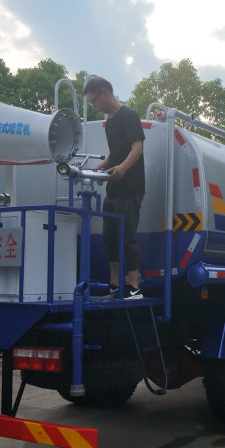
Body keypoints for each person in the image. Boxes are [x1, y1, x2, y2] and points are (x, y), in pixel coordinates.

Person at [83, 76, 145, 300]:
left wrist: (123, 169)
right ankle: (115, 285)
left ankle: (134, 287)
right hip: (114, 189)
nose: (94, 106)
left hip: (131, 188)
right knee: (109, 238)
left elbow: (136, 148)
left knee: (128, 237)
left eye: (94, 101)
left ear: (104, 93)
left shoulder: (129, 115)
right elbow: (113, 154)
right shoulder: (109, 123)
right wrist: (95, 170)